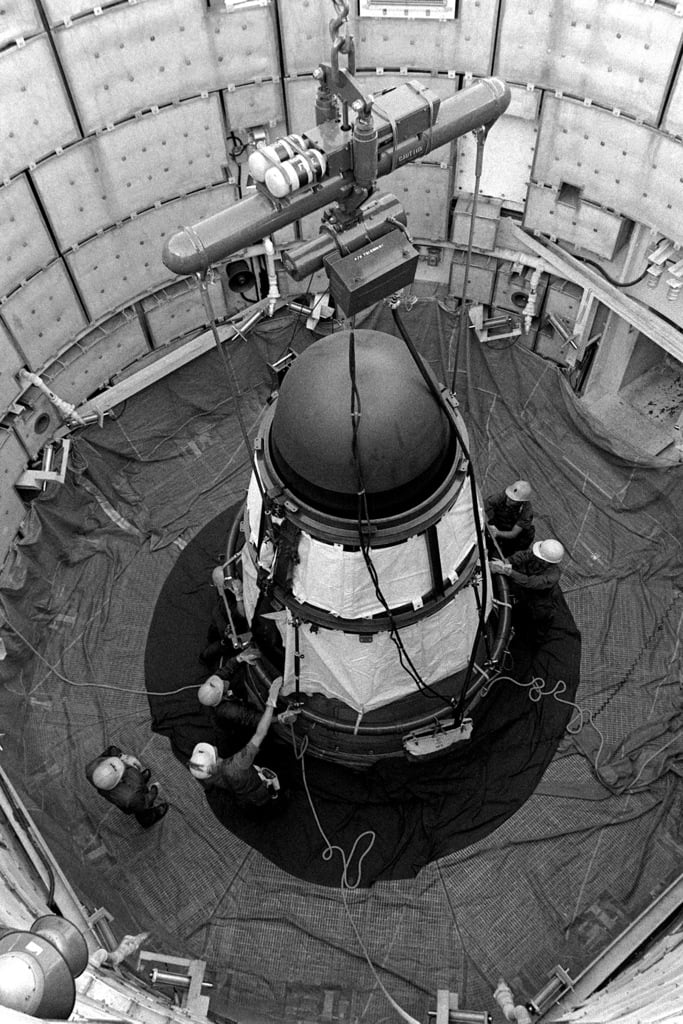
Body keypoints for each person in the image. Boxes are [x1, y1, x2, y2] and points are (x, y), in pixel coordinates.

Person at [189, 676, 285, 809]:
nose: (213, 747)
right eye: (211, 751)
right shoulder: (237, 765)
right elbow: (260, 733)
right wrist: (271, 701)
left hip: (244, 795)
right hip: (257, 791)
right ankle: (273, 796)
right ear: (215, 761)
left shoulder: (209, 776)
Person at [490, 538, 565, 639]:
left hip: (540, 601)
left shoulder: (552, 575)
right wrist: (506, 562)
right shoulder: (535, 556)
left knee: (536, 622)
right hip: (525, 594)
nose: (536, 557)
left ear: (546, 562)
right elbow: (523, 555)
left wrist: (507, 571)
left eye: (540, 558)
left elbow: (530, 582)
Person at [85, 745, 168, 828]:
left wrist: (122, 756)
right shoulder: (131, 798)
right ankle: (147, 818)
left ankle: (139, 782)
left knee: (137, 784)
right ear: (119, 780)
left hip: (120, 791)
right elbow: (146, 801)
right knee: (139, 805)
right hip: (132, 799)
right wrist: (154, 790)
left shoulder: (91, 769)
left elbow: (110, 751)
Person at [485, 480, 535, 556]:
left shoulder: (526, 512)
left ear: (521, 502)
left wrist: (497, 533)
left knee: (507, 552)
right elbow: (484, 507)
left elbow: (513, 533)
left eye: (512, 501)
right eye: (508, 498)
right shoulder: (503, 496)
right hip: (500, 522)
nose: (508, 501)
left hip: (514, 534)